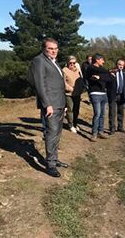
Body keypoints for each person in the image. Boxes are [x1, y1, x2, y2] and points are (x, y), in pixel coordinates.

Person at [28, 38, 68, 178]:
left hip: (60, 103)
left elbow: (58, 84)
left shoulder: (54, 61)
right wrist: (47, 104)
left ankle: (54, 159)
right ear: (44, 48)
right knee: (51, 133)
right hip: (50, 105)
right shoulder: (39, 60)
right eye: (50, 48)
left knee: (57, 134)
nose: (54, 51)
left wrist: (64, 105)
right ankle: (50, 165)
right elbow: (39, 84)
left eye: (56, 48)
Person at [86, 53, 113, 141]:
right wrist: (105, 75)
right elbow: (93, 77)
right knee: (97, 114)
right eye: (102, 59)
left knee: (102, 114)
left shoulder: (102, 69)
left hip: (103, 94)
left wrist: (100, 77)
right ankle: (94, 133)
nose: (103, 61)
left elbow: (110, 78)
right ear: (97, 60)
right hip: (95, 93)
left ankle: (100, 131)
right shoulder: (90, 68)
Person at [107, 59, 125, 134]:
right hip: (113, 95)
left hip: (122, 95)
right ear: (116, 64)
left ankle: (120, 127)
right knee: (112, 113)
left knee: (121, 112)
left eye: (122, 65)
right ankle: (112, 129)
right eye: (119, 64)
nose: (121, 66)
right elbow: (107, 84)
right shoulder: (111, 72)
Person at [62, 55, 84, 133]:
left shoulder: (77, 70)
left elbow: (80, 80)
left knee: (76, 109)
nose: (72, 64)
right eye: (70, 63)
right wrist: (71, 89)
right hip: (69, 94)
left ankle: (75, 123)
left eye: (74, 63)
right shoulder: (64, 70)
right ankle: (70, 125)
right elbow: (63, 82)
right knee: (70, 109)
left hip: (77, 93)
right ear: (67, 62)